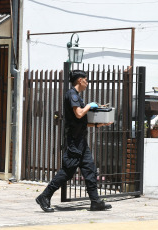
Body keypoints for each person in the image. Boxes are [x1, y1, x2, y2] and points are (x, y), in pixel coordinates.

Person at [36, 70, 112, 212]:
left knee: (90, 170)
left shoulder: (76, 96)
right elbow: (78, 114)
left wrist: (97, 125)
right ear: (79, 80)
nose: (87, 83)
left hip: (81, 141)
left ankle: (95, 202)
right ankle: (44, 196)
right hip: (74, 141)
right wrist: (90, 105)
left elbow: (80, 121)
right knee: (68, 171)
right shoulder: (72, 95)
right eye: (86, 80)